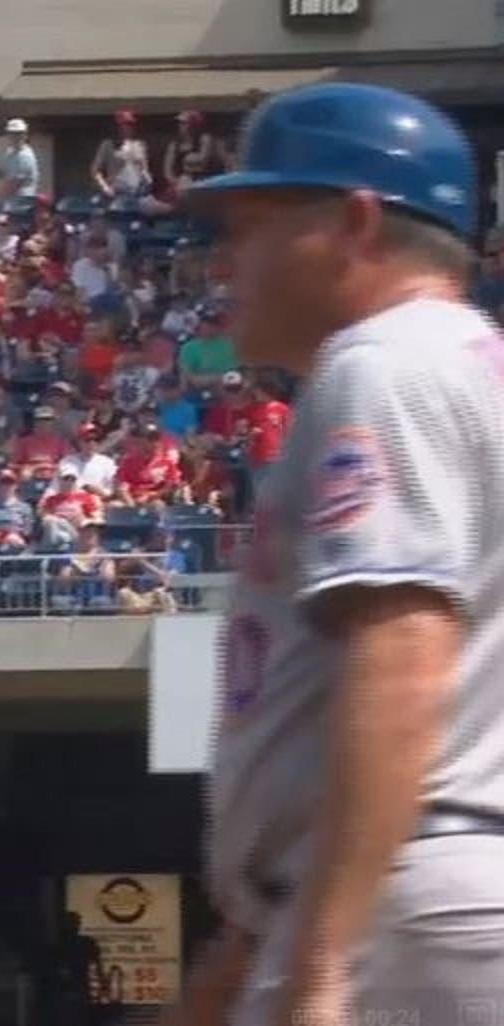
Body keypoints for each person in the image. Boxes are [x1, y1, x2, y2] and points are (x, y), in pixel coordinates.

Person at [164, 82, 504, 1026]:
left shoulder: (386, 362)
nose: (223, 260)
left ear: (355, 223)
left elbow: (401, 658)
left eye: (253, 224)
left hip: (408, 897)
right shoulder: (463, 365)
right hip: (395, 886)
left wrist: (320, 968)